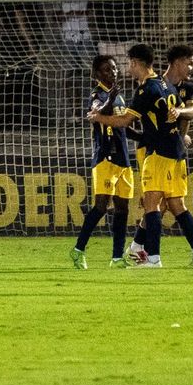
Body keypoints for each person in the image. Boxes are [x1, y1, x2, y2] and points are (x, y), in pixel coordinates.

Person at [115, 43, 193, 269]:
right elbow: (149, 124)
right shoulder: (162, 84)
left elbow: (192, 112)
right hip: (151, 148)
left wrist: (180, 132)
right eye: (190, 63)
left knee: (156, 201)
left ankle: (145, 250)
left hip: (164, 151)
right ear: (177, 62)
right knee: (163, 201)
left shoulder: (185, 88)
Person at [70, 55, 135, 269]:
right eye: (107, 70)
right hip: (105, 157)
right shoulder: (96, 95)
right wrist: (110, 98)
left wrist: (147, 136)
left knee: (123, 209)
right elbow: (98, 114)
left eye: (114, 68)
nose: (113, 72)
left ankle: (117, 257)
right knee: (100, 206)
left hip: (123, 158)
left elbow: (123, 126)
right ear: (97, 74)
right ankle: (78, 250)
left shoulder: (119, 97)